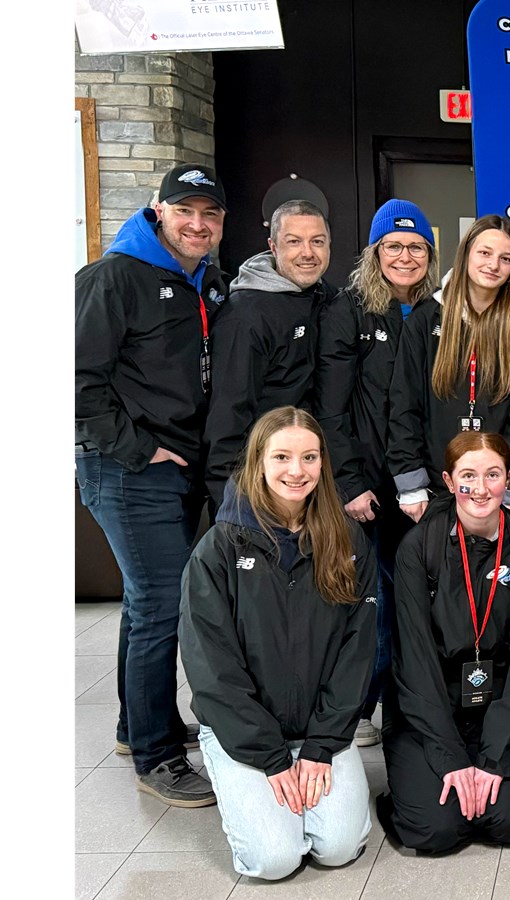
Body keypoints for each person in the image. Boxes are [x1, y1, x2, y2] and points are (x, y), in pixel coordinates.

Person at [75, 162, 229, 805]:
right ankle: (157, 755)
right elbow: (76, 382)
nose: (197, 224)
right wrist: (139, 449)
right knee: (162, 605)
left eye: (210, 214)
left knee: (147, 604)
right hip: (129, 469)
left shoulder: (206, 282)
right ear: (159, 210)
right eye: (184, 210)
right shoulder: (112, 278)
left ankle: (134, 724)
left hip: (180, 468)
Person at [179, 407, 377, 879]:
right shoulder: (219, 549)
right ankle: (249, 789)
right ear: (258, 461)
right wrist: (270, 758)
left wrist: (321, 746)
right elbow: (212, 669)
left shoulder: (347, 539)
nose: (297, 470)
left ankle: (297, 801)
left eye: (309, 457)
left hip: (318, 727)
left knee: (339, 847)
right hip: (244, 733)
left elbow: (357, 652)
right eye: (282, 456)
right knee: (274, 860)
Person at [381, 431, 510, 853]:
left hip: (499, 707)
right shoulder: (417, 547)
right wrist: (451, 759)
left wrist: (493, 758)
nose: (480, 488)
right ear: (448, 481)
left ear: (509, 479)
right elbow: (414, 659)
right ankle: (403, 792)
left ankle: (498, 764)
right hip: (430, 709)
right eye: (468, 476)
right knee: (435, 830)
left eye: (493, 475)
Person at [315, 198, 439, 747]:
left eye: (416, 247)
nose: (405, 257)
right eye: (394, 246)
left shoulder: (438, 311)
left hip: (420, 487)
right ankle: (363, 705)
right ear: (375, 251)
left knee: (420, 600)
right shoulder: (350, 310)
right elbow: (331, 408)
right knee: (375, 604)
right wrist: (349, 483)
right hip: (367, 489)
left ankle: (404, 703)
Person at [389, 215, 510, 522]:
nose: (494, 265)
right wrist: (410, 483)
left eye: (505, 259)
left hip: (497, 495)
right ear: (466, 255)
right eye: (485, 253)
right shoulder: (426, 319)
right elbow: (404, 403)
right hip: (432, 490)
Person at [204, 200, 331, 509]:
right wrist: (232, 504)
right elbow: (228, 416)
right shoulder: (246, 316)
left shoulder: (325, 297)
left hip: (308, 477)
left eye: (317, 241)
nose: (307, 252)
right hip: (260, 484)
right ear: (273, 247)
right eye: (294, 242)